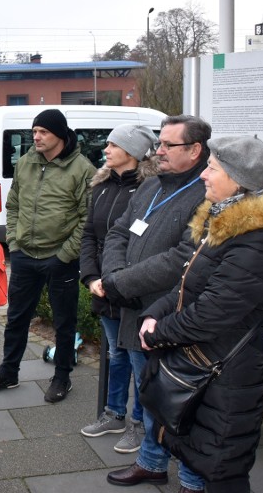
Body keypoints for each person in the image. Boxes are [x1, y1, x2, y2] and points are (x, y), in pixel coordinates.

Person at [139, 135, 263, 493]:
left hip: (227, 373)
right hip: (207, 361)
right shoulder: (228, 222)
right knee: (204, 455)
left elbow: (214, 310)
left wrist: (159, 332)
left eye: (213, 167)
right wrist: (154, 313)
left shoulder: (261, 238)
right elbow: (188, 283)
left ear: (237, 179)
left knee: (223, 469)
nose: (204, 174)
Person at [101, 115, 212, 492]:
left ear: (195, 150)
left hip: (171, 319)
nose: (158, 151)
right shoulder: (151, 186)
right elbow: (118, 231)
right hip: (134, 309)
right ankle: (151, 462)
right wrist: (115, 277)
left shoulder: (206, 194)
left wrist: (119, 282)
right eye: (159, 143)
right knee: (149, 396)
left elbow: (183, 258)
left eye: (168, 145)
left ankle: (193, 481)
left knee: (179, 406)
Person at [0, 108, 95, 403]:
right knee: (16, 318)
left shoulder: (82, 170)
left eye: (42, 132)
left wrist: (65, 255)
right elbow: (13, 204)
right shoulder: (26, 162)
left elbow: (88, 219)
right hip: (25, 255)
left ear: (60, 134)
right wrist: (14, 243)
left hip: (60, 260)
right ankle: (8, 372)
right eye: (34, 132)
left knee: (64, 323)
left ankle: (62, 377)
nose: (36, 137)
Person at [78, 124, 158, 454]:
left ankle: (140, 423)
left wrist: (121, 281)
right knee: (115, 354)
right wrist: (91, 277)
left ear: (133, 152)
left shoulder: (152, 189)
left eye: (113, 144)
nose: (106, 150)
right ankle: (114, 414)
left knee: (139, 361)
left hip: (133, 292)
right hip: (104, 289)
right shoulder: (101, 186)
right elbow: (90, 236)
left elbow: (148, 245)